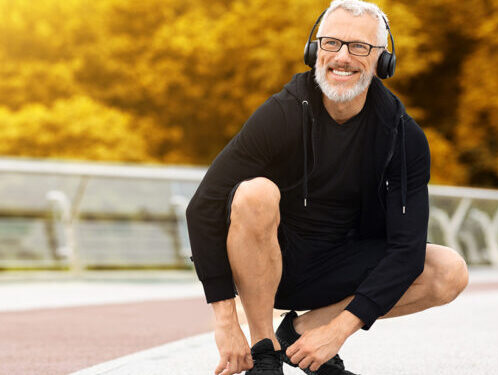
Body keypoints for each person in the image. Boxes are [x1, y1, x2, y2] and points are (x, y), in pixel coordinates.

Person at [184, 1, 469, 374]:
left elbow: (406, 250)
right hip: (271, 265)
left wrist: (337, 331)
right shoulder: (283, 113)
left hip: (343, 268)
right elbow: (203, 206)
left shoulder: (401, 135)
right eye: (331, 43)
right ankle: (264, 348)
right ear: (314, 50)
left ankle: (299, 333)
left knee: (449, 270)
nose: (342, 57)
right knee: (255, 193)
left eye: (359, 47)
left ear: (383, 60)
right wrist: (225, 322)